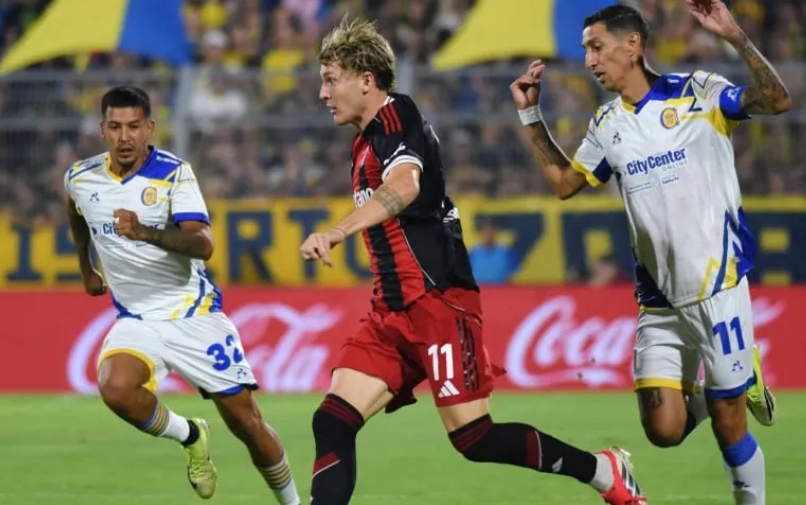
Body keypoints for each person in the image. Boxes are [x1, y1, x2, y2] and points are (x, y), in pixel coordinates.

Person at [299, 17, 648, 505]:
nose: (323, 93)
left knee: (474, 438)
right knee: (332, 421)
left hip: (438, 303)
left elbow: (405, 186)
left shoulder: (396, 116)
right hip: (392, 312)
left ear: (366, 80)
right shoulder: (363, 141)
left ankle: (603, 471)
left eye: (331, 79)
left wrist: (337, 231)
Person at [509, 2, 788, 504]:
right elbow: (566, 183)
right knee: (663, 430)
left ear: (632, 44)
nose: (590, 61)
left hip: (718, 287)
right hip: (659, 299)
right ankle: (736, 378)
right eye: (587, 51)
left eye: (597, 47)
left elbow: (776, 99)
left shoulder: (698, 93)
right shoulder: (606, 123)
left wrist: (734, 35)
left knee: (729, 425)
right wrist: (530, 114)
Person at [64, 86, 300, 504]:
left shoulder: (174, 174)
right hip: (137, 319)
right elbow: (76, 209)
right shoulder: (81, 177)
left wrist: (145, 232)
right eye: (115, 127)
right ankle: (190, 434)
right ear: (102, 130)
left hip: (193, 314)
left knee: (246, 423)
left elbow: (203, 244)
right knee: (115, 388)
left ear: (150, 128)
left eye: (134, 127)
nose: (124, 137)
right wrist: (86, 266)